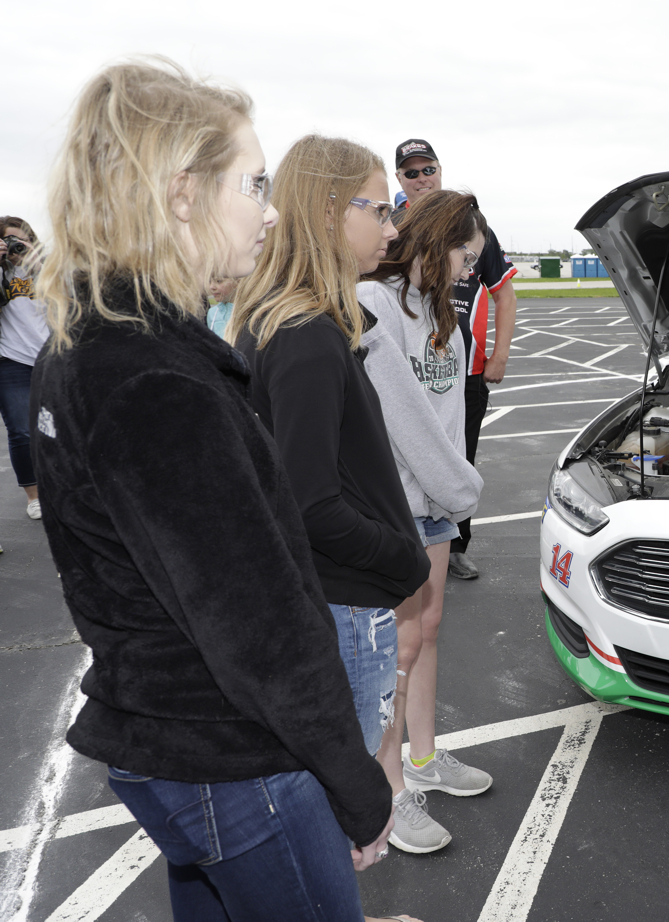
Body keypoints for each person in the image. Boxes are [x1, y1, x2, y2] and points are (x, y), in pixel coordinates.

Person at [29, 59, 399, 922]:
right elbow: (256, 624)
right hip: (234, 759)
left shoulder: (83, 340)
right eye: (254, 184)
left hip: (166, 740)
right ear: (183, 194)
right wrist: (356, 784)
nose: (270, 212)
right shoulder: (155, 377)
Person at [228, 137, 436, 909]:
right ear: (327, 211)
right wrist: (403, 560)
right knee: (340, 808)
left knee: (320, 796)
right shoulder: (309, 335)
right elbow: (309, 502)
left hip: (326, 599)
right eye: (379, 209)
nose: (393, 227)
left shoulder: (284, 322)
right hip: (345, 607)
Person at [358, 190, 490, 854]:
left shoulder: (444, 316)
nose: (470, 270)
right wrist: (461, 486)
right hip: (394, 506)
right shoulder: (375, 303)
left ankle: (424, 759)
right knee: (396, 649)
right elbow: (400, 419)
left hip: (435, 503)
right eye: (466, 255)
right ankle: (387, 793)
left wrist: (452, 494)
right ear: (440, 243)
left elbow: (449, 418)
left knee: (427, 631)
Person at [394, 139, 518, 580]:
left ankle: (455, 544)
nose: (421, 178)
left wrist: (499, 355)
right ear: (399, 179)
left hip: (462, 371)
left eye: (428, 169)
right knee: (402, 456)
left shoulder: (474, 227)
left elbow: (504, 294)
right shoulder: (391, 227)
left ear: (440, 170)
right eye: (411, 172)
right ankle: (404, 541)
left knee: (459, 457)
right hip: (408, 370)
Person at [0, 216, 49, 520]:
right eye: (11, 241)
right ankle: (34, 496)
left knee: (62, 428)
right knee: (21, 431)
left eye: (24, 239)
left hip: (52, 358)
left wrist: (37, 263)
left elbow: (72, 301)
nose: (19, 246)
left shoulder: (50, 267)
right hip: (12, 361)